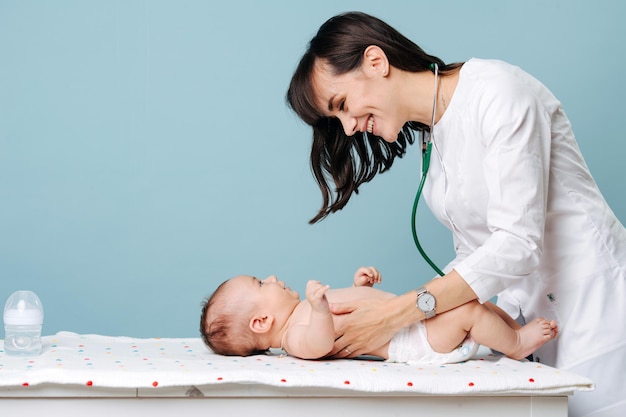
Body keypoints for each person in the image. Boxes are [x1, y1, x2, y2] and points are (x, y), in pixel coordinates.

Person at [285, 11, 626, 417]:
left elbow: (517, 244)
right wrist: (417, 330)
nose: (349, 128)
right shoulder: (433, 134)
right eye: (335, 120)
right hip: (526, 319)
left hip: (597, 311)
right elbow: (476, 255)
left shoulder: (498, 92)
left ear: (376, 62)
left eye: (342, 105)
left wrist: (398, 313)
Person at [200, 266, 557, 363]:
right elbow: (320, 343)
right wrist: (322, 309)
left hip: (410, 322)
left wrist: (361, 287)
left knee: (472, 300)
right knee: (468, 310)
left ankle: (509, 332)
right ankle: (516, 344)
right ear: (261, 322)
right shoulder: (294, 338)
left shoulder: (302, 312)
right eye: (262, 283)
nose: (274, 278)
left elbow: (358, 317)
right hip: (415, 342)